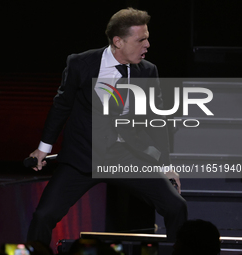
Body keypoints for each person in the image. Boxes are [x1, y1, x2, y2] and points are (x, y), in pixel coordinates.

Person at [27, 7, 187, 245]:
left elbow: (156, 120)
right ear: (118, 42)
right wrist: (43, 148)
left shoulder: (147, 71)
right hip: (83, 157)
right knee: (43, 216)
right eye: (141, 39)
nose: (148, 44)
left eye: (148, 38)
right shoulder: (81, 63)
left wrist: (165, 164)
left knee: (176, 206)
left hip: (127, 156)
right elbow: (62, 106)